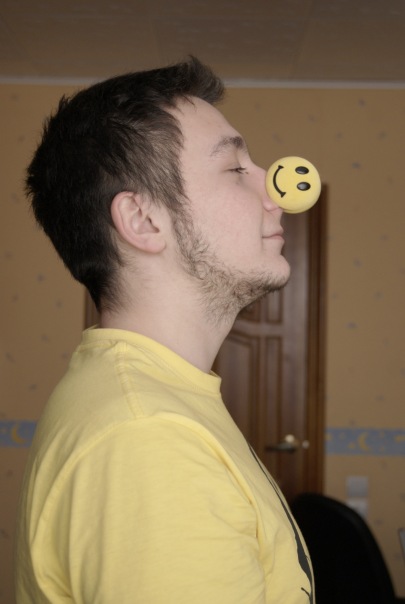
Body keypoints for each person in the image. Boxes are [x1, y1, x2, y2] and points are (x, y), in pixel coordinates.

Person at [15, 56, 314, 603]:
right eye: (235, 169)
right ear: (144, 220)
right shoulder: (148, 439)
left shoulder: (153, 403)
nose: (276, 192)